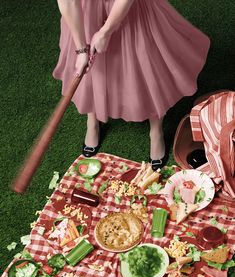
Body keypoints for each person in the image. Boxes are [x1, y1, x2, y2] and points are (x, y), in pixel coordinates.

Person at [54, 0, 210, 170]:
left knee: (146, 67)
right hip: (85, 11)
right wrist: (81, 48)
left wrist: (106, 31)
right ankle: (92, 121)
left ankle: (155, 131)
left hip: (129, 8)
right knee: (91, 70)